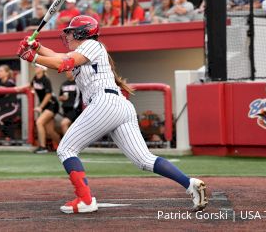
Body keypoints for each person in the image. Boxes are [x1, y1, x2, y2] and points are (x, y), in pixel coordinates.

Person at [17, 15, 208, 213]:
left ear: (83, 33)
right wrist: (36, 48)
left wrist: (32, 57)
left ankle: (85, 200)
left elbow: (62, 63)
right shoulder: (85, 49)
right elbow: (59, 57)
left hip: (104, 103)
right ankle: (190, 184)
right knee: (144, 160)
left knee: (66, 149)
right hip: (118, 105)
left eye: (72, 32)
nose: (69, 36)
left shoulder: (92, 45)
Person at [31, 66, 60, 154]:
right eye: (35, 67)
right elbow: (29, 86)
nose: (35, 68)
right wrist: (18, 88)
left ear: (42, 69)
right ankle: (64, 146)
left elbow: (48, 95)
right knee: (50, 131)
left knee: (39, 122)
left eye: (37, 67)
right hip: (45, 106)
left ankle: (43, 147)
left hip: (52, 105)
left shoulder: (45, 79)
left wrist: (40, 107)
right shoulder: (35, 78)